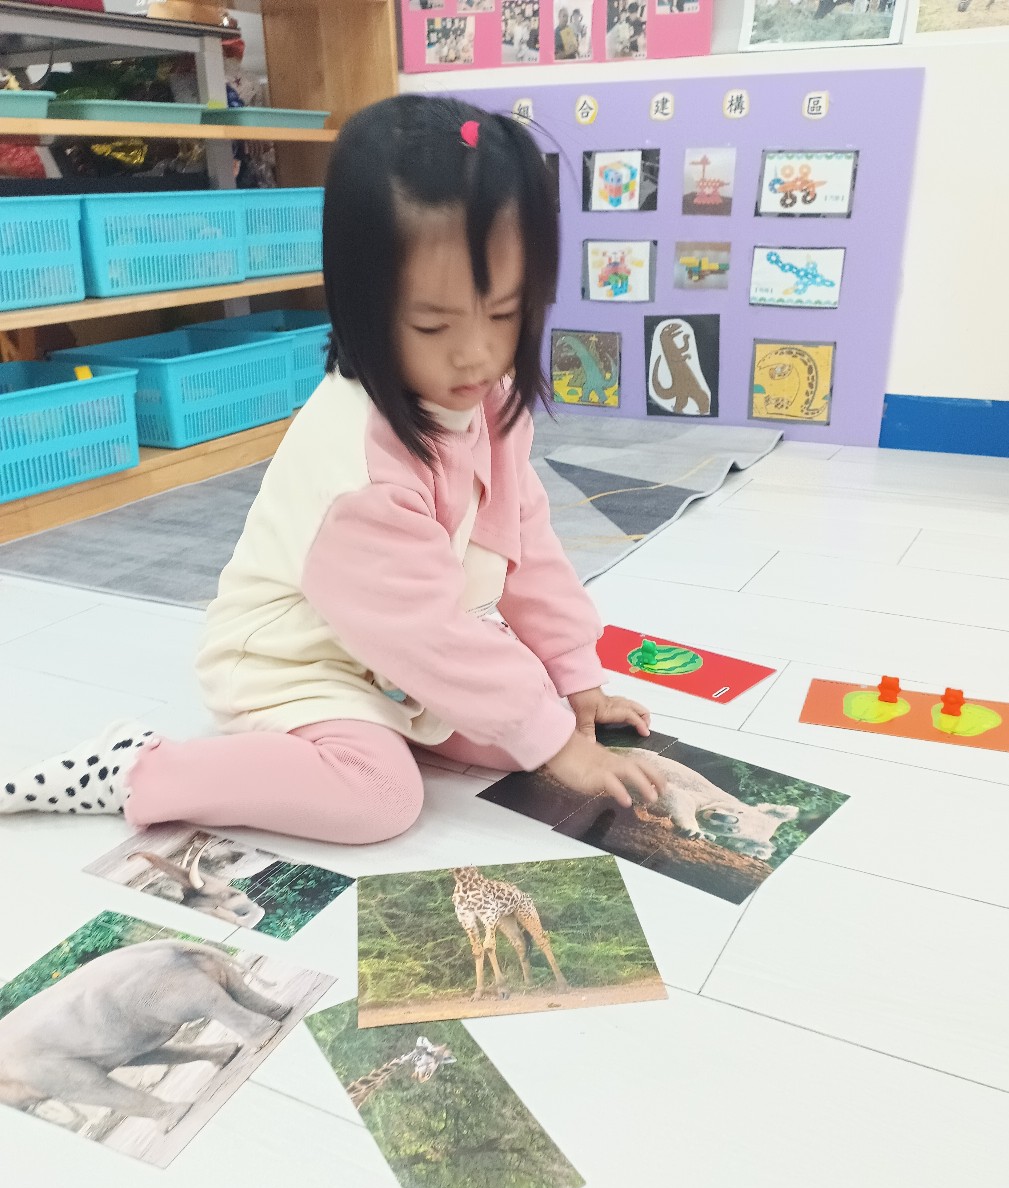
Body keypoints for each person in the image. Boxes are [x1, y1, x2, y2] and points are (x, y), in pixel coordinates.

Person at [0, 96, 664, 845]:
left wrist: (575, 678)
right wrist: (554, 743)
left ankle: (433, 719)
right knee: (380, 797)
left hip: (390, 656)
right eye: (433, 324)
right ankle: (138, 770)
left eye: (505, 313)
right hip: (296, 659)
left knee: (534, 713)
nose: (476, 354)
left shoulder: (490, 400)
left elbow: (527, 543)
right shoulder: (357, 467)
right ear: (361, 305)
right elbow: (428, 634)